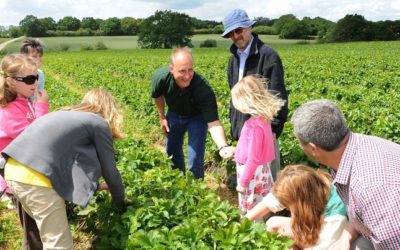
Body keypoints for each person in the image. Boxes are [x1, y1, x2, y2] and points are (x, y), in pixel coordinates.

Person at [2, 89, 126, 249]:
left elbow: (67, 163)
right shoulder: (97, 122)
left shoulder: (62, 114)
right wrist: (120, 201)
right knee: (59, 245)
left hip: (13, 172)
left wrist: (95, 187)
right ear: (109, 109)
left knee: (48, 235)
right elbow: (111, 172)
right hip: (36, 180)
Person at [291, 99, 400, 249]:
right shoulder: (358, 147)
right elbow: (362, 218)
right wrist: (345, 237)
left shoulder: (371, 187)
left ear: (313, 148)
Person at [222, 9, 289, 181]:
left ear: (250, 27)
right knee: (248, 182)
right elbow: (235, 96)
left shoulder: (268, 55)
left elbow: (277, 94)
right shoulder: (233, 58)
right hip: (244, 132)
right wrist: (236, 129)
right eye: (230, 33)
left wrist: (273, 129)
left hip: (264, 132)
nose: (235, 36)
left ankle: (273, 209)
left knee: (268, 182)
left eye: (238, 30)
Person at [151, 47, 233, 179]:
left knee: (195, 158)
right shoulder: (160, 77)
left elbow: (213, 123)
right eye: (182, 71)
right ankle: (178, 183)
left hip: (197, 117)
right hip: (174, 113)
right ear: (172, 69)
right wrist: (162, 117)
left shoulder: (203, 88)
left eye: (190, 70)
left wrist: (223, 146)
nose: (187, 76)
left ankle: (196, 189)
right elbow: (158, 95)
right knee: (172, 152)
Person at [0, 53, 49, 250]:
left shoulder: (25, 101)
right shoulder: (9, 110)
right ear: (10, 81)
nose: (35, 82)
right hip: (17, 174)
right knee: (32, 228)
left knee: (36, 222)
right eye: (29, 79)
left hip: (26, 168)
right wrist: (42, 107)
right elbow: (34, 138)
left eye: (36, 76)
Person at [245, 165, 348, 249]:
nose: (287, 207)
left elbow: (323, 246)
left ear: (301, 203)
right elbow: (270, 202)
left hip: (328, 242)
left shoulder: (336, 216)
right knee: (272, 224)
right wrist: (243, 221)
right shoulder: (311, 185)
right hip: (315, 226)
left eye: (288, 204)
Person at [230, 76, 284, 216]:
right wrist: (238, 151)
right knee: (261, 206)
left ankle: (251, 232)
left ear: (245, 101)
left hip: (252, 175)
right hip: (262, 171)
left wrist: (242, 183)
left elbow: (253, 158)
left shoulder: (253, 126)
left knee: (250, 211)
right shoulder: (264, 120)